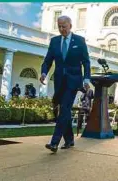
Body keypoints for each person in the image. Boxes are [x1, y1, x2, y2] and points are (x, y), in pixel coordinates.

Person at [40, 15, 91, 153]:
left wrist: (86, 79)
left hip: (73, 80)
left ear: (70, 26)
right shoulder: (55, 41)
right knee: (62, 110)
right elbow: (48, 60)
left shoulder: (79, 41)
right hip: (59, 80)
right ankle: (69, 139)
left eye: (64, 26)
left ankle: (54, 142)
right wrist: (44, 72)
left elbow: (86, 61)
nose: (62, 29)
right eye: (59, 27)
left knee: (65, 108)